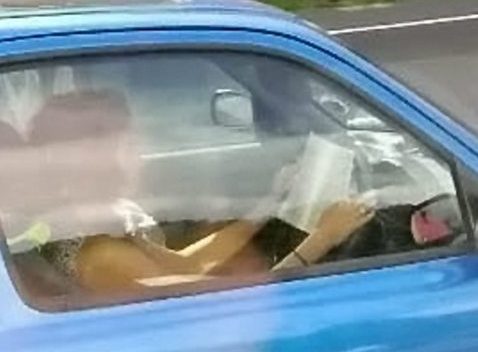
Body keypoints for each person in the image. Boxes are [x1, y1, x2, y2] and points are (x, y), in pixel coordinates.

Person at [25, 90, 375, 298]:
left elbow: (186, 265)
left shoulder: (96, 219)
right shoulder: (105, 256)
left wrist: (268, 205)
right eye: (128, 141)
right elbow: (219, 306)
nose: (139, 152)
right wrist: (324, 237)